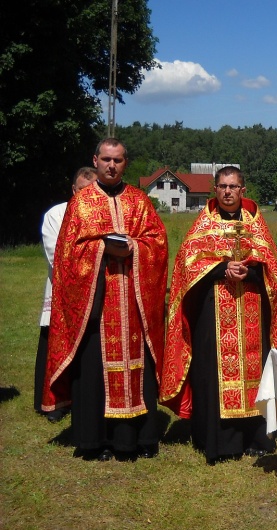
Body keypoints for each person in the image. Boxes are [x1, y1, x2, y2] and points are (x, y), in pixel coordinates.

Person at [42, 138, 168, 461]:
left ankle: (136, 439)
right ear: (95, 160)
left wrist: (134, 248)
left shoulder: (140, 201)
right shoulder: (81, 203)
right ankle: (94, 441)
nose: (112, 165)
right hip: (95, 305)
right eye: (106, 159)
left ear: (126, 163)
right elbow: (68, 255)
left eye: (119, 160)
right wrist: (102, 248)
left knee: (135, 369)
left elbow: (157, 243)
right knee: (94, 372)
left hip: (132, 301)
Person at [160, 166, 277, 464]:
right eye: (222, 186)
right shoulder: (204, 224)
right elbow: (187, 264)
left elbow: (271, 267)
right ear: (215, 189)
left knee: (256, 372)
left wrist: (251, 269)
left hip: (251, 307)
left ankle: (255, 437)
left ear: (243, 190)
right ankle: (218, 440)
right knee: (211, 371)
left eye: (233, 186)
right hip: (213, 308)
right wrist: (222, 268)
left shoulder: (255, 224)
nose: (228, 192)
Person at [34, 167, 96, 421]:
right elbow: (54, 254)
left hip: (93, 291)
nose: (86, 195)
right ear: (73, 190)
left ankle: (82, 397)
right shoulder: (56, 214)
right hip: (63, 289)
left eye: (91, 191)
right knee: (55, 345)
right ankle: (54, 403)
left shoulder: (99, 214)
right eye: (82, 190)